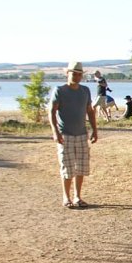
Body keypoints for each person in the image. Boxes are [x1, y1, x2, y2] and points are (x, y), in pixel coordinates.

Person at [49, 61, 98, 209]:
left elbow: (90, 111)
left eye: (79, 74)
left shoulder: (85, 91)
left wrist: (95, 130)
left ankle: (77, 196)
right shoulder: (60, 90)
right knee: (67, 167)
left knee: (81, 167)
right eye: (74, 74)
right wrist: (55, 132)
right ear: (67, 74)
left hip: (82, 134)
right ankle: (66, 196)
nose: (76, 77)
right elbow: (52, 111)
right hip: (66, 134)